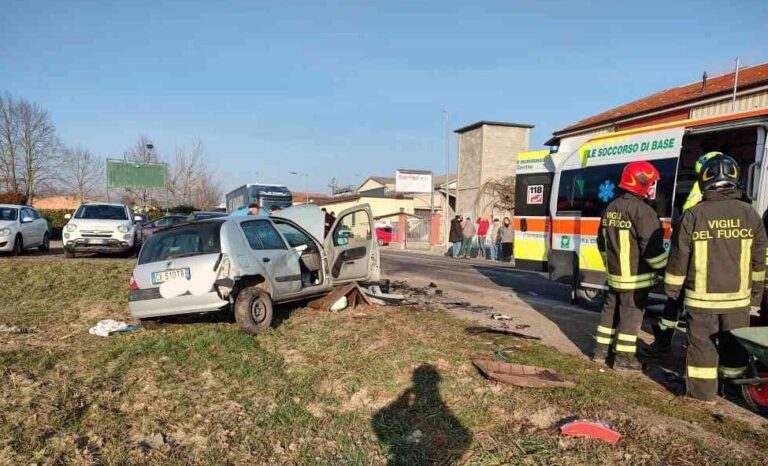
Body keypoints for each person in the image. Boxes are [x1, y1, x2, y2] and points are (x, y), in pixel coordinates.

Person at [664, 154, 767, 402]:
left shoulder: (693, 215)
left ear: (704, 181)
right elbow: (759, 259)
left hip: (701, 302)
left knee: (702, 348)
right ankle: (733, 390)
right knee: (734, 346)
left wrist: (672, 292)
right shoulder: (749, 214)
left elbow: (679, 258)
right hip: (737, 301)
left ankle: (702, 394)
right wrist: (755, 295)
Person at [593, 161, 667, 370]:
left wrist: (610, 266)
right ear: (640, 183)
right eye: (651, 183)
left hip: (615, 276)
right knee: (630, 316)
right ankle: (624, 360)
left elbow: (601, 242)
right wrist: (667, 270)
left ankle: (600, 352)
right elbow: (652, 250)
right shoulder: (644, 212)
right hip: (635, 278)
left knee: (609, 312)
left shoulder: (611, 207)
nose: (653, 188)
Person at [646, 151, 720, 357]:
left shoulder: (699, 189)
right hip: (714, 261)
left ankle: (665, 342)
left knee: (675, 302)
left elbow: (686, 222)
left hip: (695, 257)